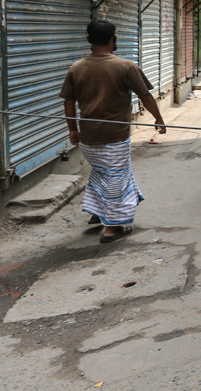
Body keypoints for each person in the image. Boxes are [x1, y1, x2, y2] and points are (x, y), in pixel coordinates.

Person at [61, 19, 167, 242]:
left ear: (88, 39)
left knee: (103, 173)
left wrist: (73, 129)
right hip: (114, 138)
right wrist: (158, 118)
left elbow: (69, 102)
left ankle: (97, 212)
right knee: (115, 180)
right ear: (113, 38)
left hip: (89, 138)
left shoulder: (76, 67)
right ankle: (112, 227)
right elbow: (146, 96)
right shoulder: (125, 66)